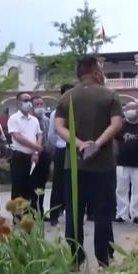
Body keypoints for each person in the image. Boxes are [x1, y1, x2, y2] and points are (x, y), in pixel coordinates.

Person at [54, 55, 123, 268]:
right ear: (95, 72)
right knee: (103, 213)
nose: (102, 73)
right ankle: (104, 258)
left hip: (74, 166)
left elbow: (59, 127)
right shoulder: (110, 95)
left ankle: (76, 258)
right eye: (101, 69)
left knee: (74, 213)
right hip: (103, 166)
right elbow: (117, 124)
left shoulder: (66, 98)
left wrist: (80, 144)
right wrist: (97, 144)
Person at [7, 92, 43, 213]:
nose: (28, 103)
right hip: (19, 157)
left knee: (31, 188)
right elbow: (18, 137)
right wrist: (36, 147)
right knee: (18, 188)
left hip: (32, 158)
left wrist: (36, 152)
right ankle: (17, 216)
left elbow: (39, 135)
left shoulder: (34, 120)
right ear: (18, 103)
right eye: (25, 100)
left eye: (29, 100)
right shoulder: (14, 119)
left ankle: (30, 214)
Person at [47, 84, 75, 226]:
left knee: (73, 183)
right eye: (66, 93)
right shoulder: (55, 113)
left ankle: (72, 214)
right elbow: (51, 135)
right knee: (58, 183)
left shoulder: (77, 110)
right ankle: (54, 215)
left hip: (75, 150)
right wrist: (60, 145)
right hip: (62, 149)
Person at [114, 101, 138, 224]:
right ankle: (121, 214)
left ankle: (137, 215)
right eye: (128, 108)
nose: (131, 111)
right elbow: (115, 141)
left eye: (133, 108)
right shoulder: (120, 126)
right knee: (121, 189)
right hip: (121, 162)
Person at [30, 95, 52, 216]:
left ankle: (40, 211)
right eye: (36, 104)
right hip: (32, 154)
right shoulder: (30, 120)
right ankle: (32, 211)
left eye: (41, 104)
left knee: (41, 185)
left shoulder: (46, 120)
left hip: (45, 155)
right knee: (32, 184)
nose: (39, 107)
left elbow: (48, 137)